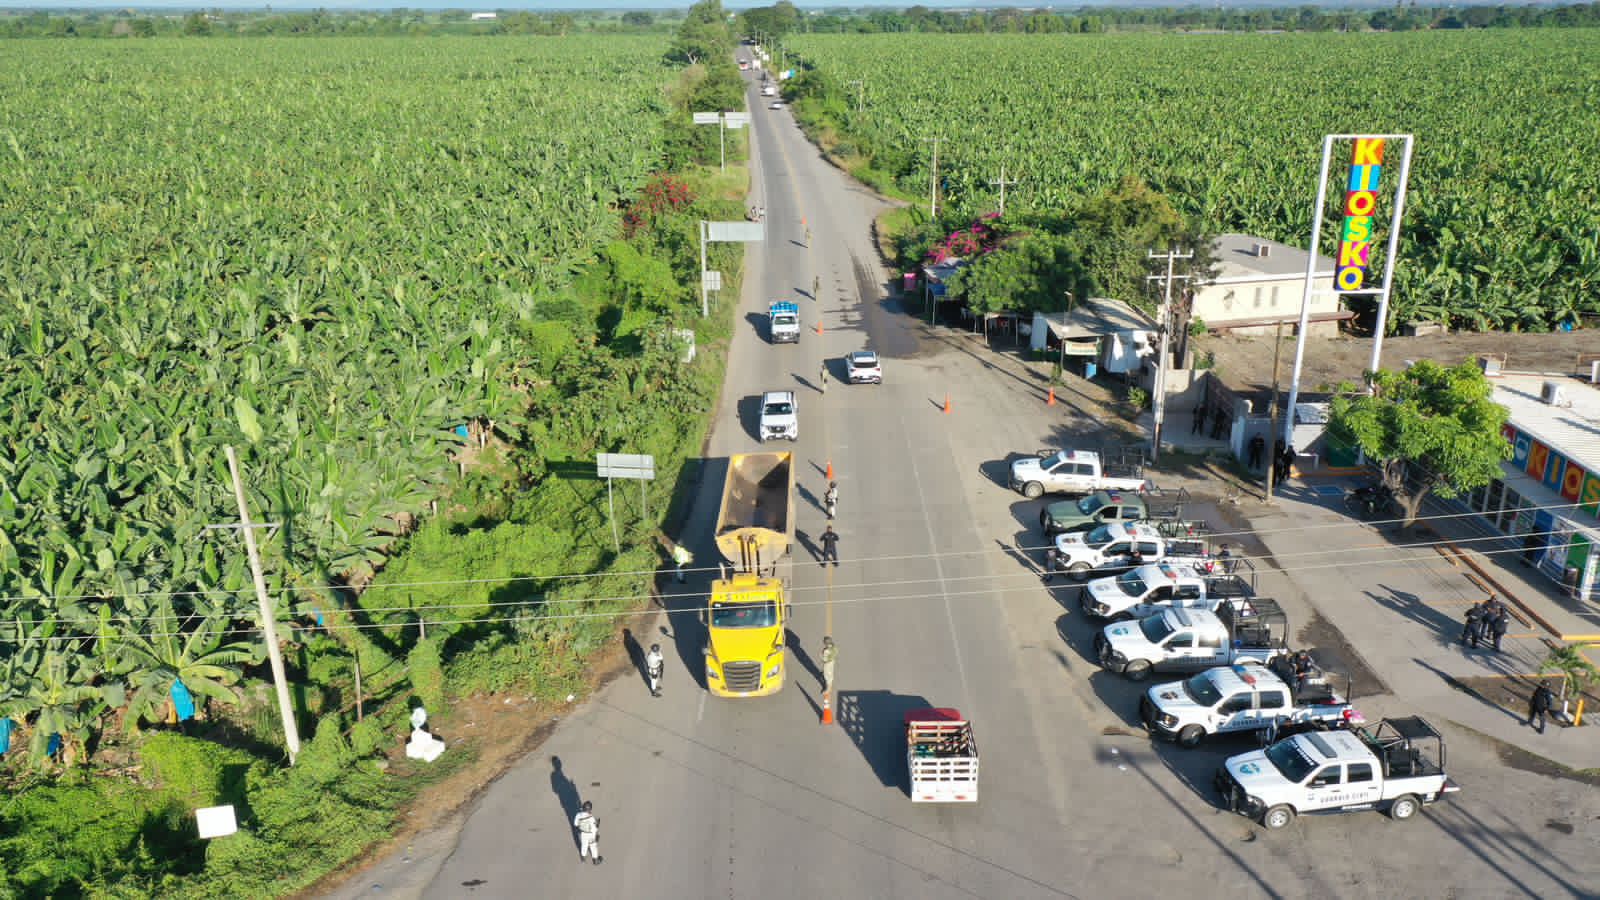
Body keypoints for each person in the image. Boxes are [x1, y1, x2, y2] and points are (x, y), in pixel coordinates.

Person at [574, 800, 601, 865]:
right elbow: (594, 829)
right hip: (591, 835)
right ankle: (596, 860)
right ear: (589, 809)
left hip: (583, 834)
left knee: (584, 845)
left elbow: (575, 824)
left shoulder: (578, 815)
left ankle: (583, 858)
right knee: (593, 847)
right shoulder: (591, 818)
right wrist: (597, 825)